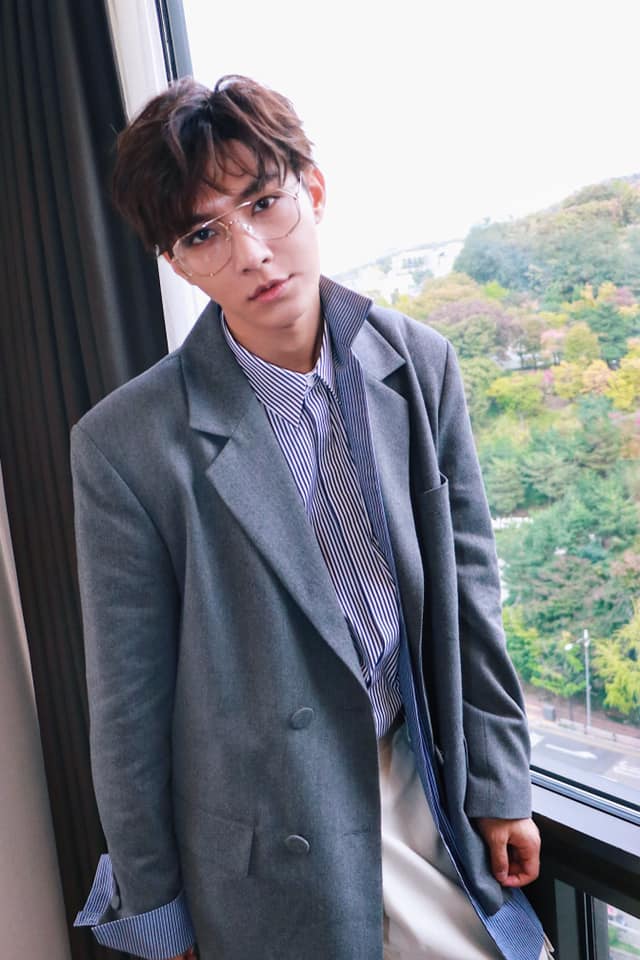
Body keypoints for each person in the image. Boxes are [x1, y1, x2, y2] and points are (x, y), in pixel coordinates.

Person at [72, 75, 551, 960]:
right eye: (205, 233)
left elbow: (470, 594)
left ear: (314, 189)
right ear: (177, 262)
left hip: (424, 785)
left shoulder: (419, 363)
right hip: (270, 835)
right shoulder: (125, 444)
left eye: (264, 203)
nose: (252, 252)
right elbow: (128, 706)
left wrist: (500, 783)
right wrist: (159, 910)